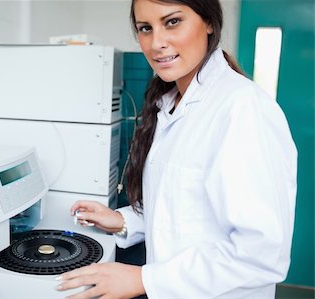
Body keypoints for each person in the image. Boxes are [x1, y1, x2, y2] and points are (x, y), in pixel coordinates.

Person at [56, 0, 297, 297]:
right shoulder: (171, 104)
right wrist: (123, 221)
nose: (157, 42)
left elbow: (260, 255)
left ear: (209, 22)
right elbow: (187, 211)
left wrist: (144, 280)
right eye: (146, 28)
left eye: (172, 22)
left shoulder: (244, 109)